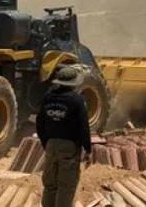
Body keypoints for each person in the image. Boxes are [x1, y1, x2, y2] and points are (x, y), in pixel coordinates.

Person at [36, 66, 93, 207]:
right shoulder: (77, 100)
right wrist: (88, 149)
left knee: (50, 185)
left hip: (50, 145)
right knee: (66, 186)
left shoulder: (48, 97)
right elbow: (84, 127)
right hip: (69, 148)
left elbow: (39, 123)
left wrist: (46, 143)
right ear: (74, 83)